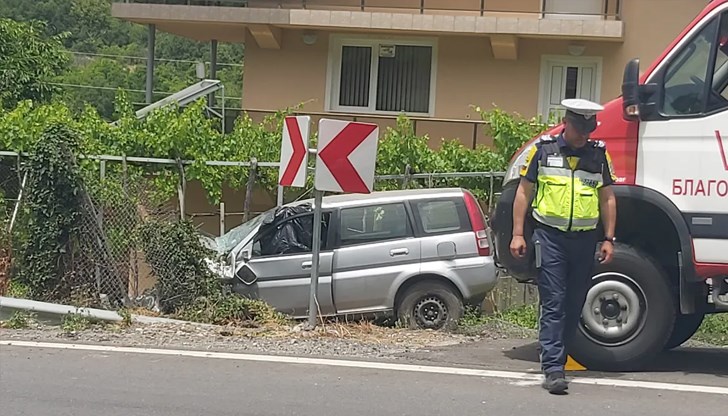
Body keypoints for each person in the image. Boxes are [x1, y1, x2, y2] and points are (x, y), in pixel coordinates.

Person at [510, 98, 618, 395]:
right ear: (567, 123)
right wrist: (518, 234)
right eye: (579, 128)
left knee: (574, 303)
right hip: (550, 238)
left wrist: (608, 238)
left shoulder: (598, 156)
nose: (584, 135)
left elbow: (607, 198)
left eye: (588, 129)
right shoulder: (543, 151)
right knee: (554, 303)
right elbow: (523, 193)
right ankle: (553, 368)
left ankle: (561, 355)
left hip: (584, 241)